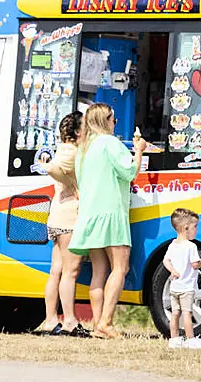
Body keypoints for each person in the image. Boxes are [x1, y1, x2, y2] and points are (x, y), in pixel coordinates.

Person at [69, 104, 147, 339]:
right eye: (114, 118)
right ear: (106, 120)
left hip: (90, 214)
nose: (116, 122)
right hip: (111, 211)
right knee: (120, 268)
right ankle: (106, 322)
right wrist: (139, 150)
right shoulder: (111, 143)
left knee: (98, 272)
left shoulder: (83, 148)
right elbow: (130, 172)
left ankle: (97, 324)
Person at [39, 112, 88, 337]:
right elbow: (51, 168)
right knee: (71, 271)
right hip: (70, 217)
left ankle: (50, 319)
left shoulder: (62, 149)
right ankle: (69, 319)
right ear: (78, 132)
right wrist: (71, 184)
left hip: (57, 214)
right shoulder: (72, 152)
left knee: (56, 270)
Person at [162, 208, 201, 349]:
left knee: (175, 314)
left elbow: (165, 261)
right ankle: (191, 339)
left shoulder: (172, 245)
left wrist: (172, 271)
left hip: (174, 288)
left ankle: (174, 339)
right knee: (187, 313)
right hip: (186, 288)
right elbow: (195, 265)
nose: (196, 230)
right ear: (186, 228)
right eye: (195, 226)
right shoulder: (191, 247)